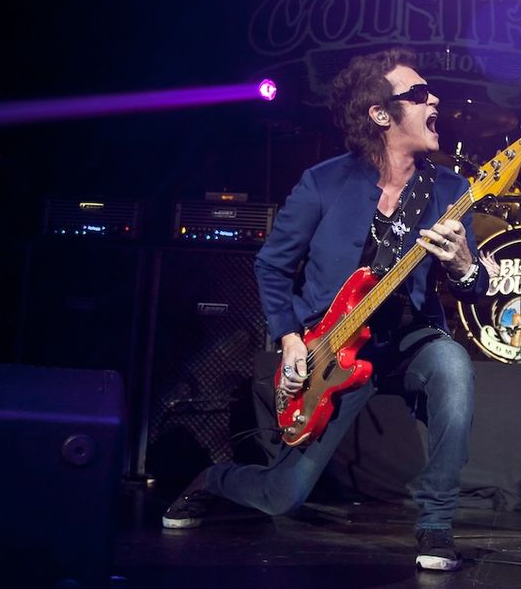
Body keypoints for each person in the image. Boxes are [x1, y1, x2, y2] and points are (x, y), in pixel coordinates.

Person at [161, 47, 489, 572]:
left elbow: (477, 289)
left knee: (452, 366)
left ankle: (436, 523)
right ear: (381, 114)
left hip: (410, 340)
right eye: (419, 94)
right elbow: (273, 266)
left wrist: (463, 265)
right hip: (332, 350)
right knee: (283, 496)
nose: (435, 101)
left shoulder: (450, 190)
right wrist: (291, 337)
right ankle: (212, 480)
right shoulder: (324, 182)